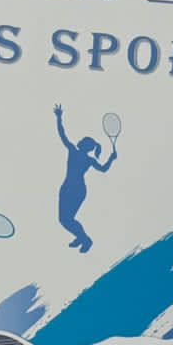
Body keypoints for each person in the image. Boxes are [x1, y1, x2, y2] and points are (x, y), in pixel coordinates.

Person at [54, 104, 117, 253]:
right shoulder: (89, 160)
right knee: (67, 219)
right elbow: (104, 169)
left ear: (83, 144)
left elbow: (62, 135)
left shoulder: (73, 151)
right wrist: (111, 158)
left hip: (70, 188)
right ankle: (81, 237)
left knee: (65, 220)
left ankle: (85, 239)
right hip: (77, 189)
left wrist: (59, 118)